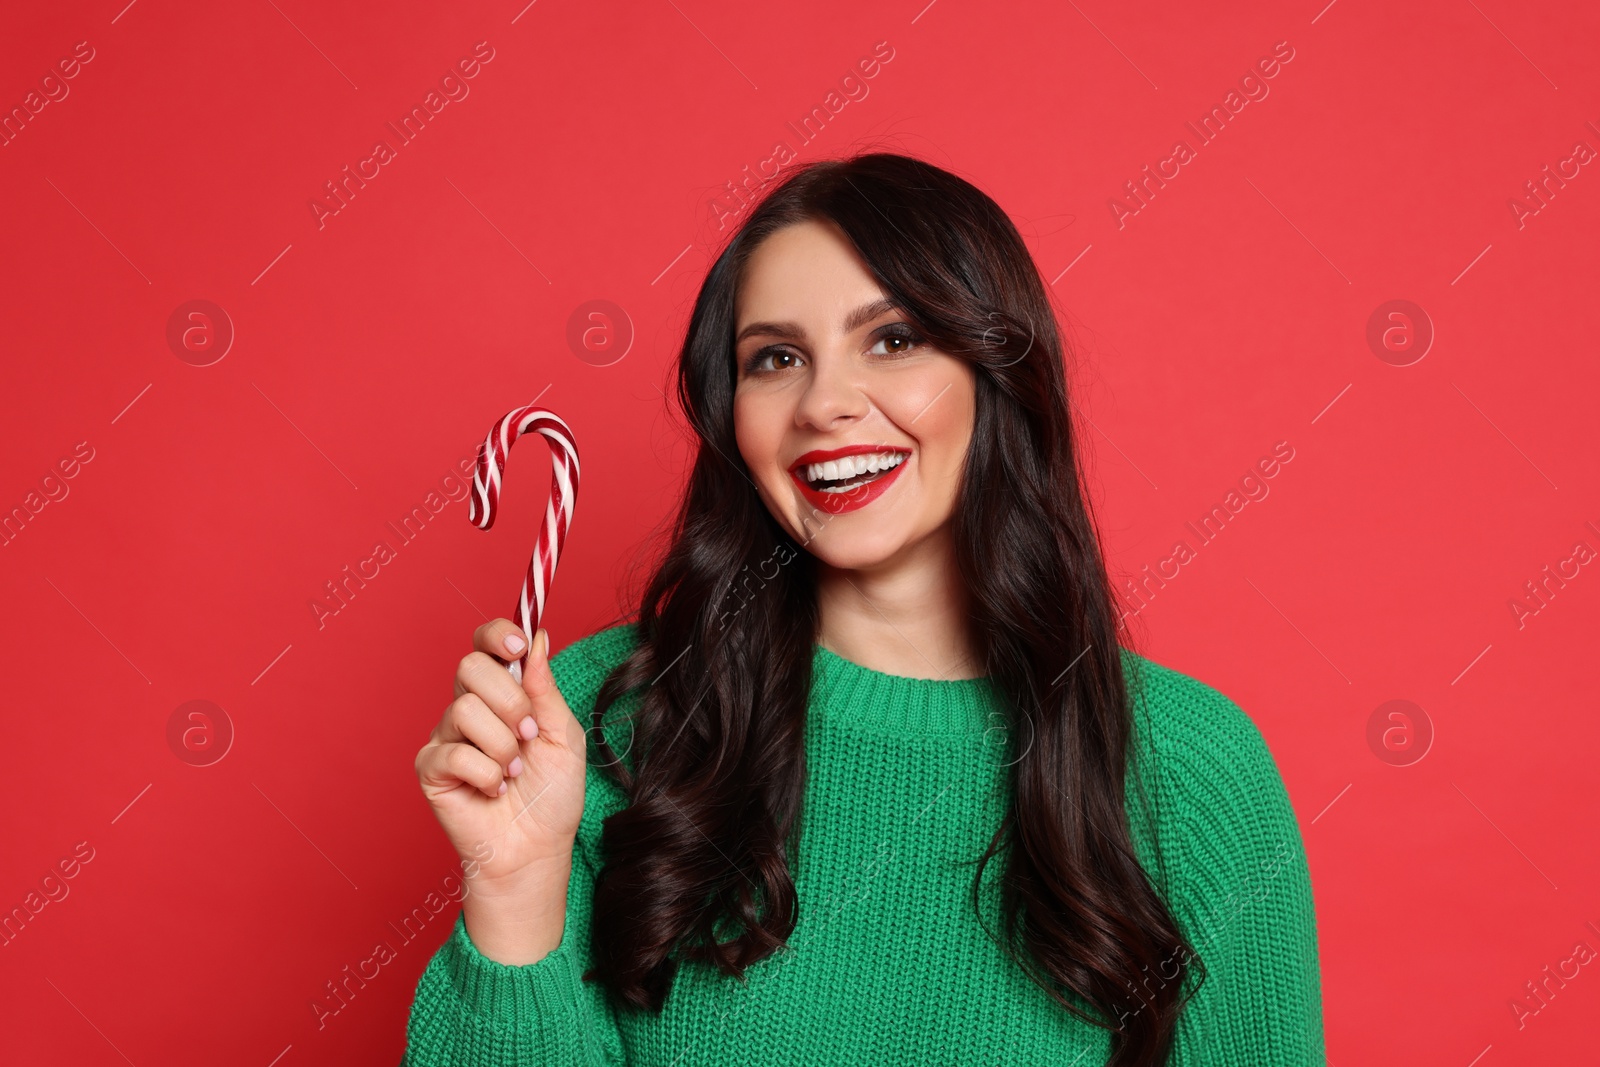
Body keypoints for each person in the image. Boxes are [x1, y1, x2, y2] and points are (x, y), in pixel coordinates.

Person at [404, 151, 1326, 1066]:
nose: (825, 404)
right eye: (777, 358)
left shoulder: (1195, 773)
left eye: (891, 339)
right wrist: (515, 888)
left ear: (994, 370)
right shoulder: (594, 720)